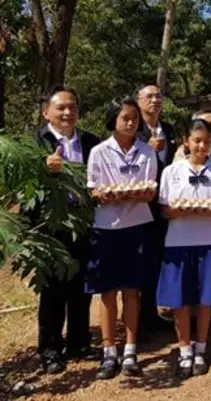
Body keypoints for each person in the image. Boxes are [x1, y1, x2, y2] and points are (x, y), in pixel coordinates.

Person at [86, 98, 158, 380]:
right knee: (107, 292)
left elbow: (150, 190)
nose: (131, 122)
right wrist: (104, 195)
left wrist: (133, 194)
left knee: (132, 290)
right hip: (106, 228)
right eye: (125, 117)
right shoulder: (99, 152)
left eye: (135, 118)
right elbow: (93, 189)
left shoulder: (146, 152)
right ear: (113, 119)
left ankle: (130, 350)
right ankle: (108, 352)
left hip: (137, 226)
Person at [34, 86, 101, 374]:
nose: (67, 112)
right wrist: (42, 168)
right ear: (45, 111)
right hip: (50, 226)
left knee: (80, 287)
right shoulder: (35, 143)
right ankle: (50, 349)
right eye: (60, 107)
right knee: (52, 290)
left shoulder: (90, 142)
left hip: (84, 223)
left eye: (72, 107)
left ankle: (79, 342)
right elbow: (20, 184)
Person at [156, 120, 211, 379]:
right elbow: (165, 209)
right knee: (181, 300)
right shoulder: (171, 172)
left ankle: (202, 348)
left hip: (209, 240)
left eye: (207, 142)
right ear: (186, 141)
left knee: (205, 298)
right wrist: (182, 210)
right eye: (197, 140)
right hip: (178, 242)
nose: (202, 146)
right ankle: (184, 349)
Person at [135, 84, 178, 333]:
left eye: (158, 96)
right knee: (140, 260)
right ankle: (137, 319)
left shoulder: (168, 129)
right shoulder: (133, 129)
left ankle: (152, 313)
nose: (155, 100)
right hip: (139, 203)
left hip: (165, 203)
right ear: (139, 101)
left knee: (158, 259)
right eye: (149, 96)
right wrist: (147, 151)